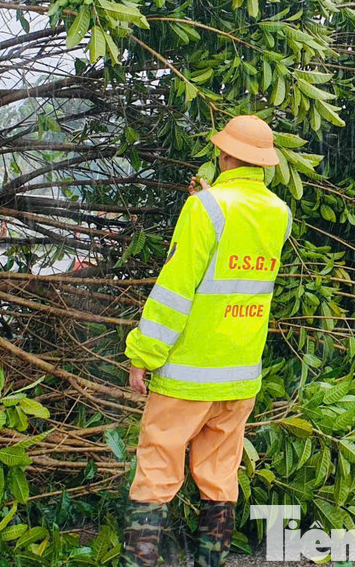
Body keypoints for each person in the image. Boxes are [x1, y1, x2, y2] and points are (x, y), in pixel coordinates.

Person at [122, 115, 291, 567]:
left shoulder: (205, 209)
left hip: (186, 373)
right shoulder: (279, 214)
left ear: (224, 155)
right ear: (264, 164)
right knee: (219, 477)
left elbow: (174, 293)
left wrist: (143, 354)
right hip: (239, 376)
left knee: (157, 472)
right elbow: (238, 266)